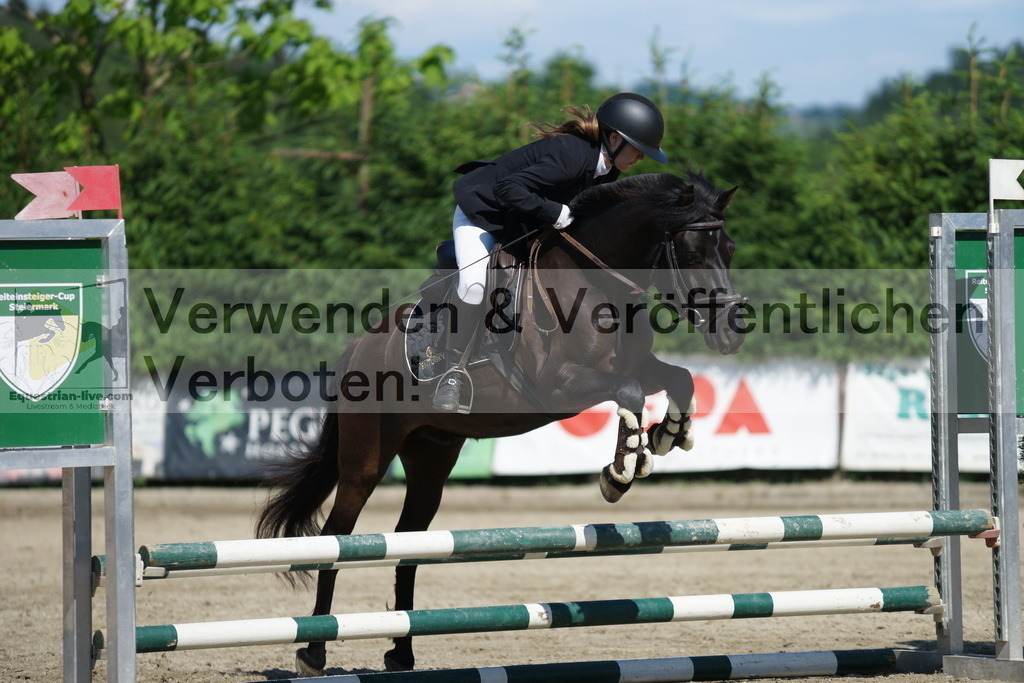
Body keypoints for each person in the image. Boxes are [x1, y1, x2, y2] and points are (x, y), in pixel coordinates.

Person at [432, 92, 669, 413]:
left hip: (522, 221)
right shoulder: (570, 157)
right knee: (474, 285)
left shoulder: (606, 169)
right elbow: (507, 189)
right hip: (482, 215)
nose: (640, 159)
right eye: (638, 151)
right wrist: (553, 211)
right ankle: (451, 372)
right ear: (614, 139)